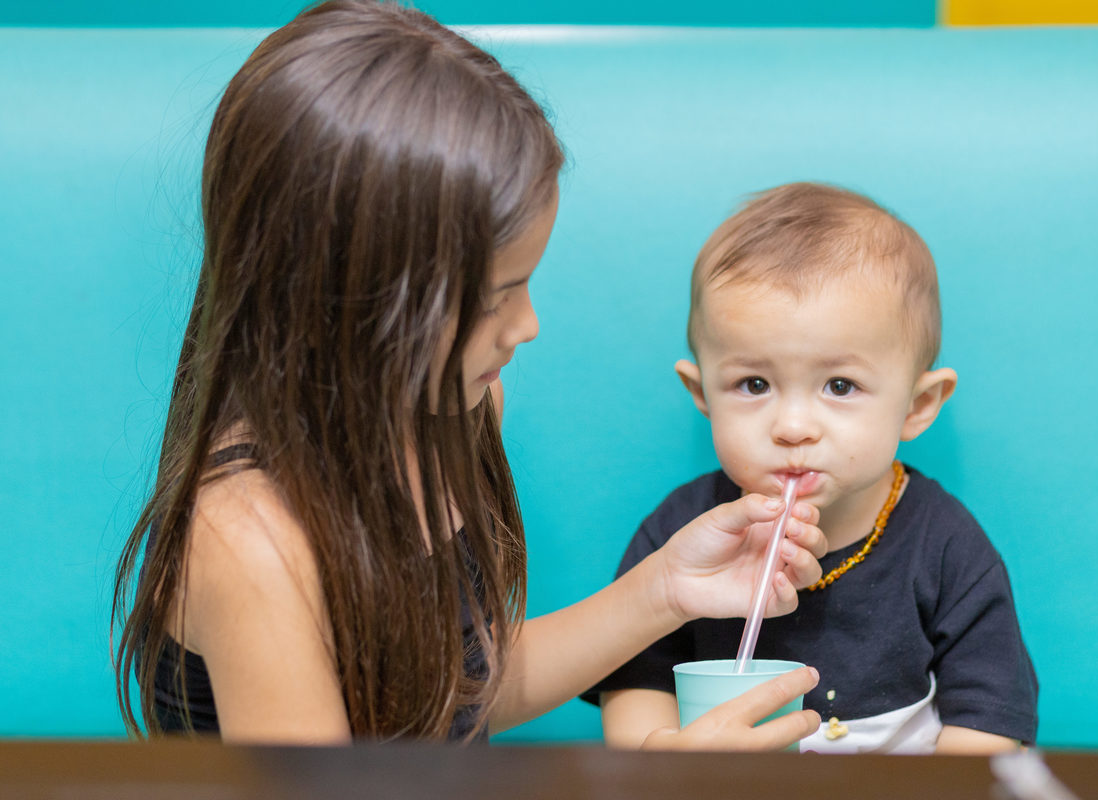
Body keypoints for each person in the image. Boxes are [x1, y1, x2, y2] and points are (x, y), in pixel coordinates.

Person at [110, 1, 829, 747]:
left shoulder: (459, 413)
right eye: (492, 299)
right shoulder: (250, 541)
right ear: (346, 300)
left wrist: (666, 589)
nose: (527, 325)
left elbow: (457, 697)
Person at [589, 182, 1038, 754]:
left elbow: (990, 723)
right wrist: (659, 764)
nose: (793, 426)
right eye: (754, 384)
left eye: (840, 386)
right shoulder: (682, 535)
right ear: (701, 393)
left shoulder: (946, 545)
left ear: (918, 405)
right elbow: (635, 681)